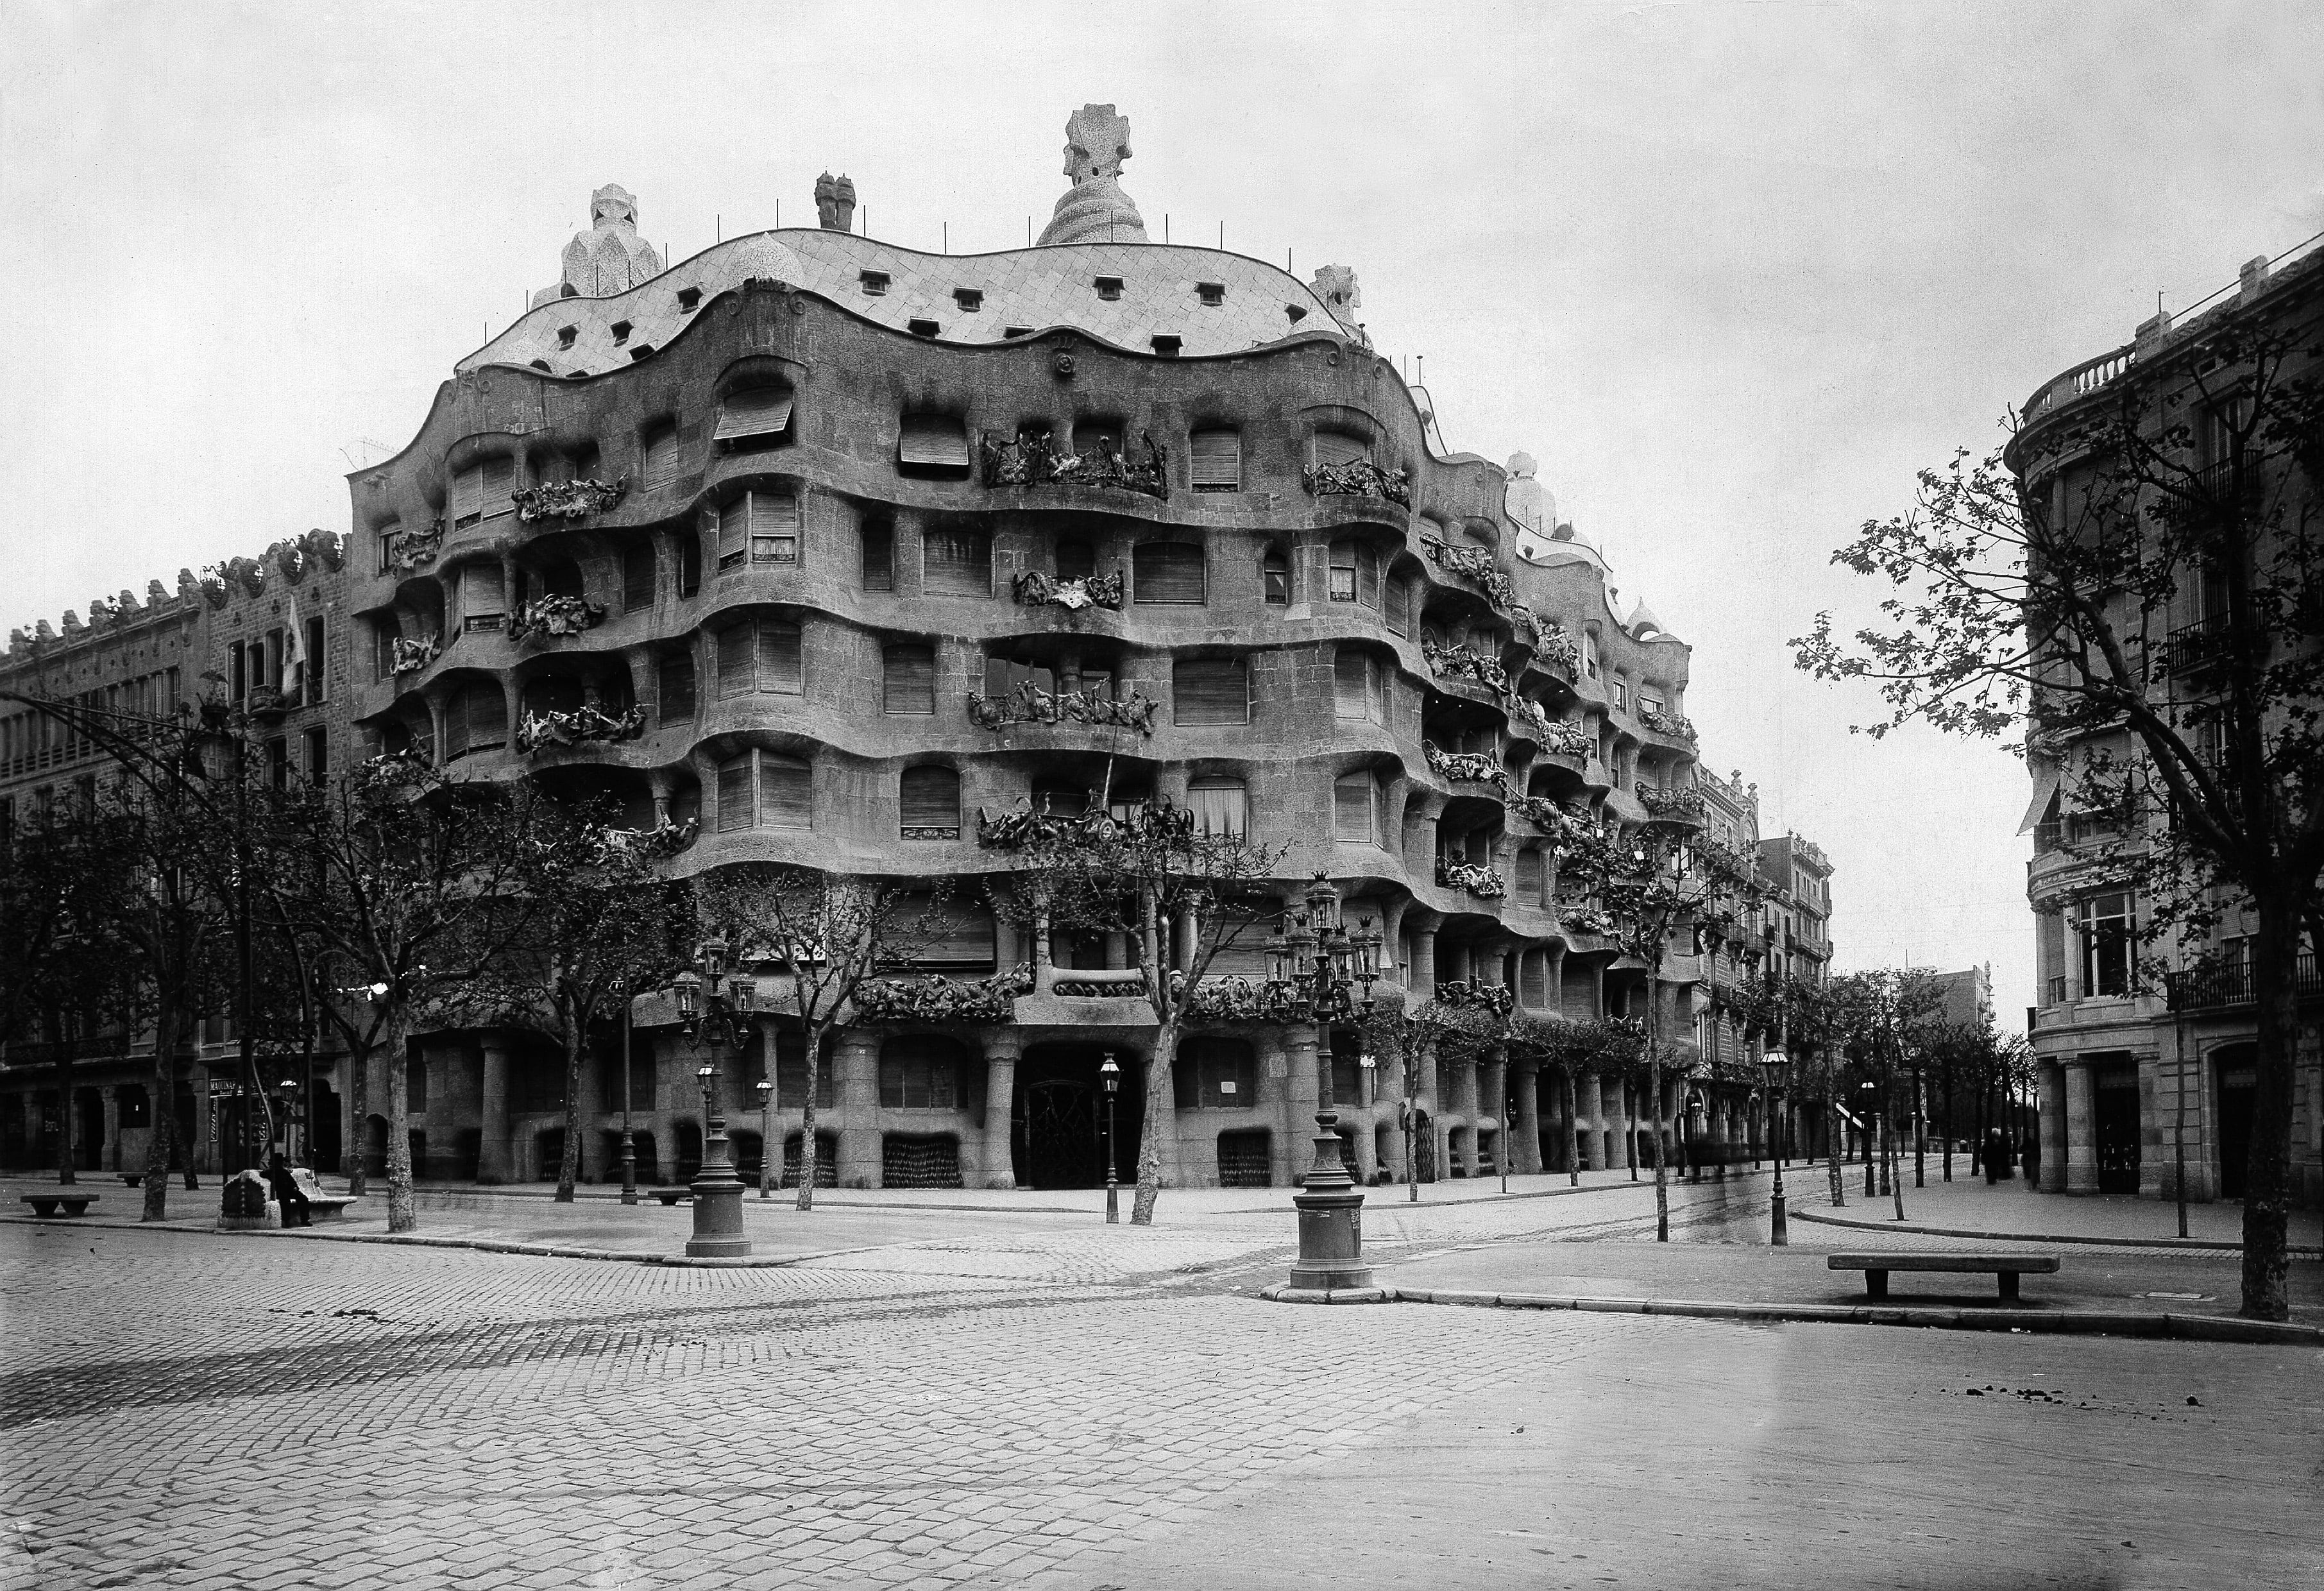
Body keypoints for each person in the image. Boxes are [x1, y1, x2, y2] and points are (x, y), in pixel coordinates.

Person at [266, 1153, 313, 1228]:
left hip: (289, 1191)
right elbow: (263, 1175)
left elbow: (292, 1181)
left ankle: (305, 1220)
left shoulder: (284, 1171)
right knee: (285, 1201)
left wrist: (295, 1188)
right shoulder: (270, 1172)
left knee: (303, 1198)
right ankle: (286, 1221)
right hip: (279, 1192)